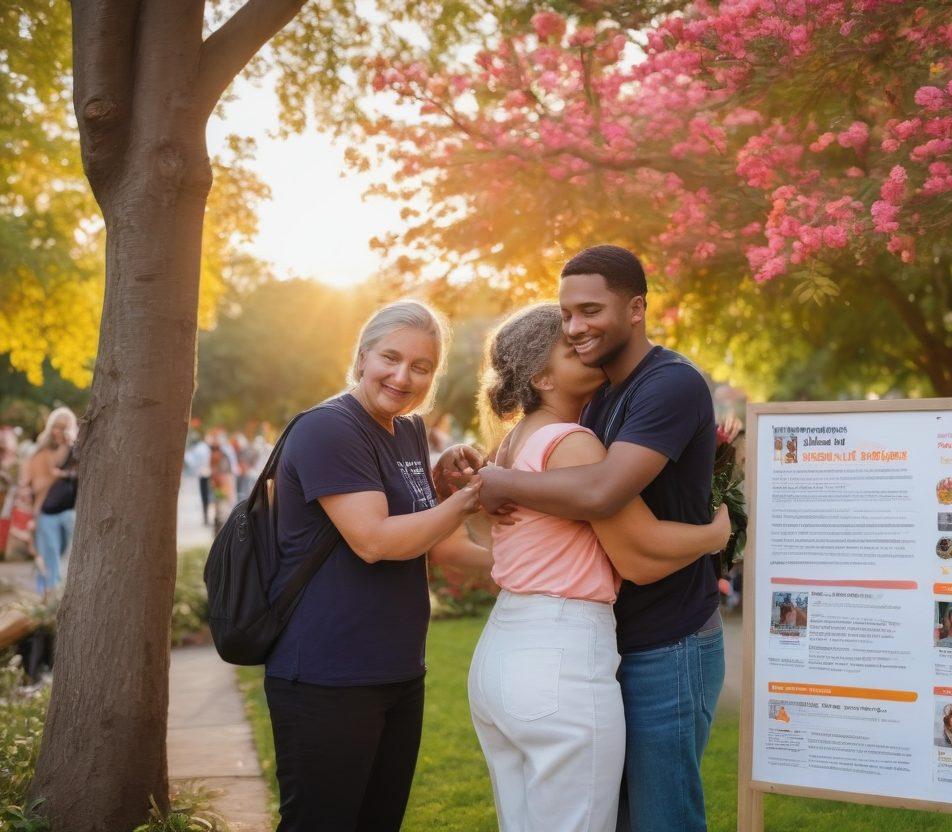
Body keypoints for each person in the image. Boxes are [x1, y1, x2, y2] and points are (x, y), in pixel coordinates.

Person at [468, 245, 725, 832]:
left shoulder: (668, 385)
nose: (576, 327)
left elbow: (610, 510)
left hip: (667, 640)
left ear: (635, 308)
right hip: (581, 646)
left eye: (589, 311)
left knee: (658, 819)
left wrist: (495, 478)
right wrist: (713, 536)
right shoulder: (591, 407)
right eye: (566, 318)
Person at [264, 299, 491, 832]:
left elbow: (438, 544)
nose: (402, 375)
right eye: (390, 357)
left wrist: (541, 572)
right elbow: (373, 540)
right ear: (362, 356)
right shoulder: (329, 428)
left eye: (421, 366)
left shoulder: (407, 430)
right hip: (327, 675)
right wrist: (465, 500)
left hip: (396, 670)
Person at [22, 408, 78, 595]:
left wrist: (63, 473)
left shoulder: (75, 450)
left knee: (64, 553)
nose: (58, 431)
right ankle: (48, 595)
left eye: (63, 427)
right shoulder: (42, 452)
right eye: (56, 426)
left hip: (70, 510)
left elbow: (78, 475)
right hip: (46, 511)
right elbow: (34, 484)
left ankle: (54, 591)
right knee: (49, 553)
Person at [184, 433, 212, 525]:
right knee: (205, 497)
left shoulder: (199, 449)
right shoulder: (203, 448)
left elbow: (192, 463)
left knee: (205, 497)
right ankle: (206, 518)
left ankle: (206, 518)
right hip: (202, 475)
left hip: (202, 475)